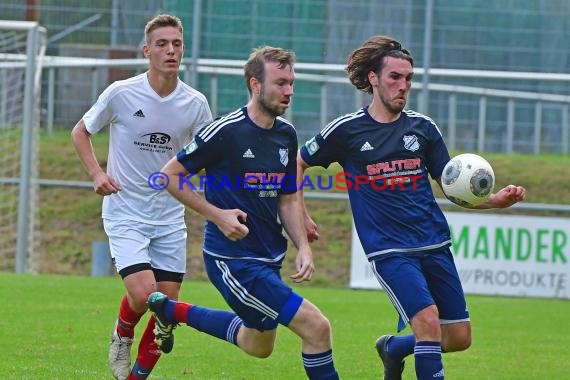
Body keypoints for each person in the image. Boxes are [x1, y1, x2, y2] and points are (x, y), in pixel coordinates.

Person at [296, 35, 526, 380]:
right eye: (394, 77)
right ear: (373, 79)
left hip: (435, 244)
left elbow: (454, 190)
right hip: (389, 250)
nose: (403, 86)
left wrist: (496, 201)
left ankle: (393, 348)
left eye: (408, 78)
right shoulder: (347, 130)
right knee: (428, 322)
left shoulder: (424, 128)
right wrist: (302, 215)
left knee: (459, 338)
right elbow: (297, 163)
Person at [147, 46, 339, 380]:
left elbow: (288, 198)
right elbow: (169, 176)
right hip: (232, 261)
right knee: (316, 328)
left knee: (257, 345)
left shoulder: (286, 134)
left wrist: (303, 246)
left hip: (268, 259)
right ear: (255, 84)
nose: (289, 91)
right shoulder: (225, 131)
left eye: (291, 83)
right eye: (280, 83)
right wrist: (216, 214)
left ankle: (171, 310)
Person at [71, 14, 213, 380]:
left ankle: (136, 378)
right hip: (126, 212)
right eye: (162, 44)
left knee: (166, 311)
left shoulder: (195, 103)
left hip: (169, 216)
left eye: (177, 44)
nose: (171, 50)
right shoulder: (121, 92)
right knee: (144, 296)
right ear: (147, 50)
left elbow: (207, 155)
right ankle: (122, 334)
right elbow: (81, 131)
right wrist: (97, 173)